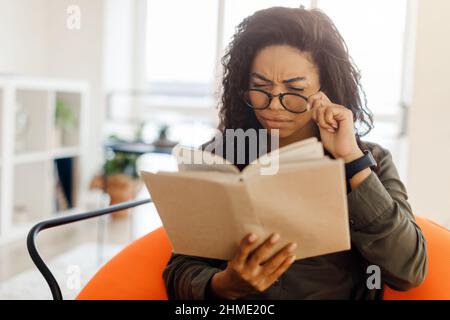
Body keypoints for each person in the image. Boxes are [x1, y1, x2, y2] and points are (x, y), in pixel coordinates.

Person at [162, 6, 427, 300]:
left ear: (324, 88)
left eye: (295, 89)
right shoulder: (218, 157)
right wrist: (224, 285)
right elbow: (180, 269)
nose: (274, 105)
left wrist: (351, 160)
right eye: (260, 87)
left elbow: (409, 271)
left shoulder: (369, 160)